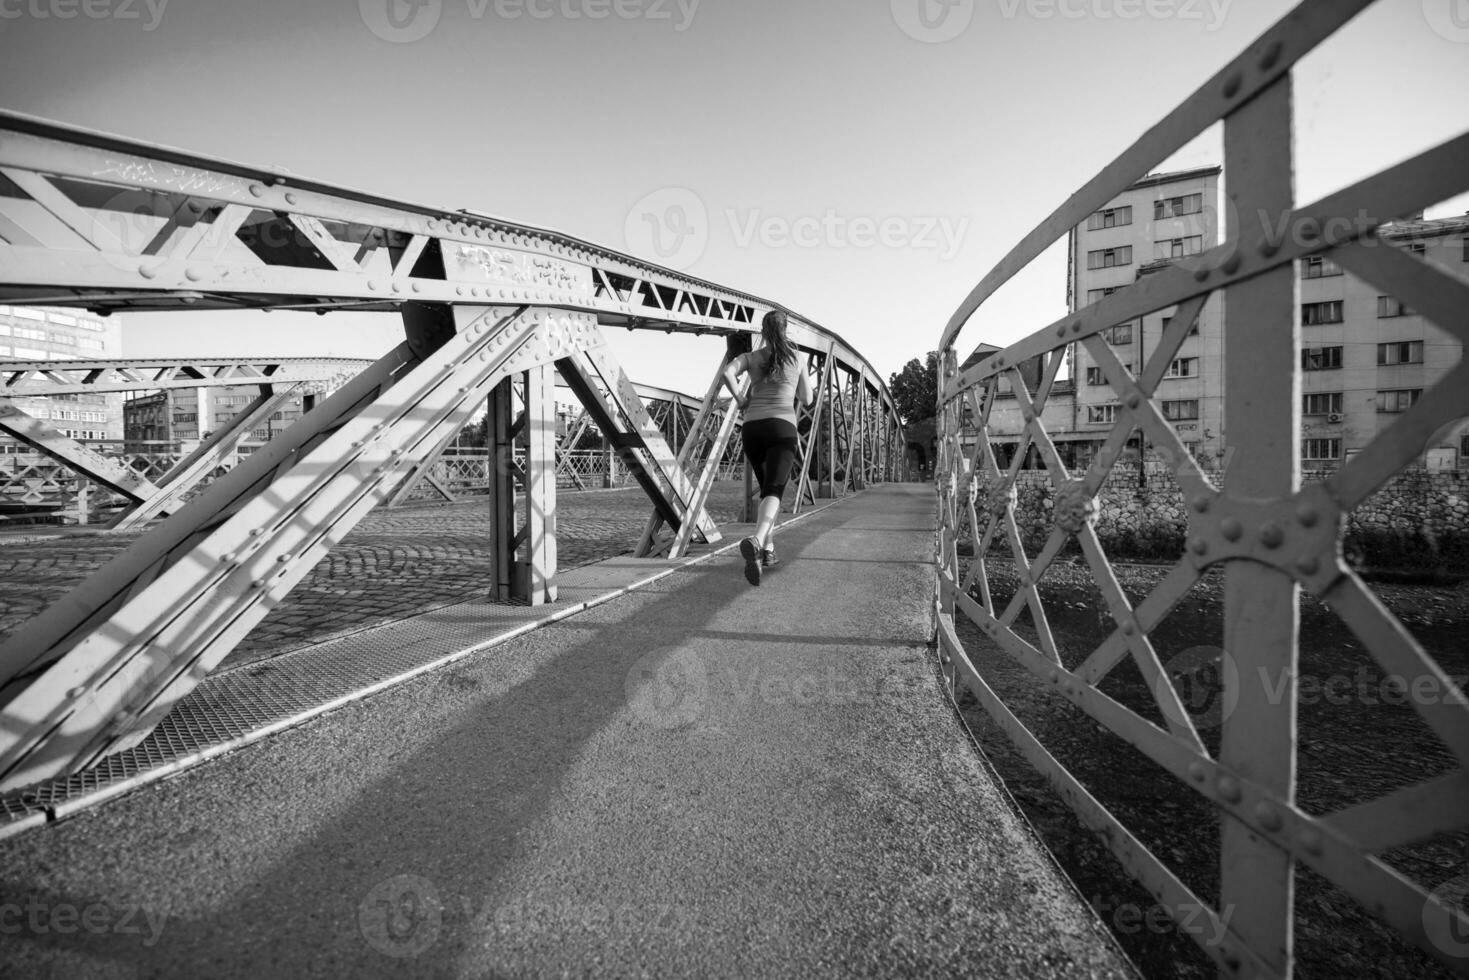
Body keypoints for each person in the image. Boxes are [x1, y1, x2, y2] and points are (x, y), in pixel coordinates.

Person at [722, 309, 814, 586]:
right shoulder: (797, 358)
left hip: (752, 429)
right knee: (775, 490)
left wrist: (740, 398)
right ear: (786, 330)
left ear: (762, 331)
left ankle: (767, 553)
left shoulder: (751, 358)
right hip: (781, 429)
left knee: (766, 492)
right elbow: (807, 398)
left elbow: (728, 372)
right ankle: (758, 539)